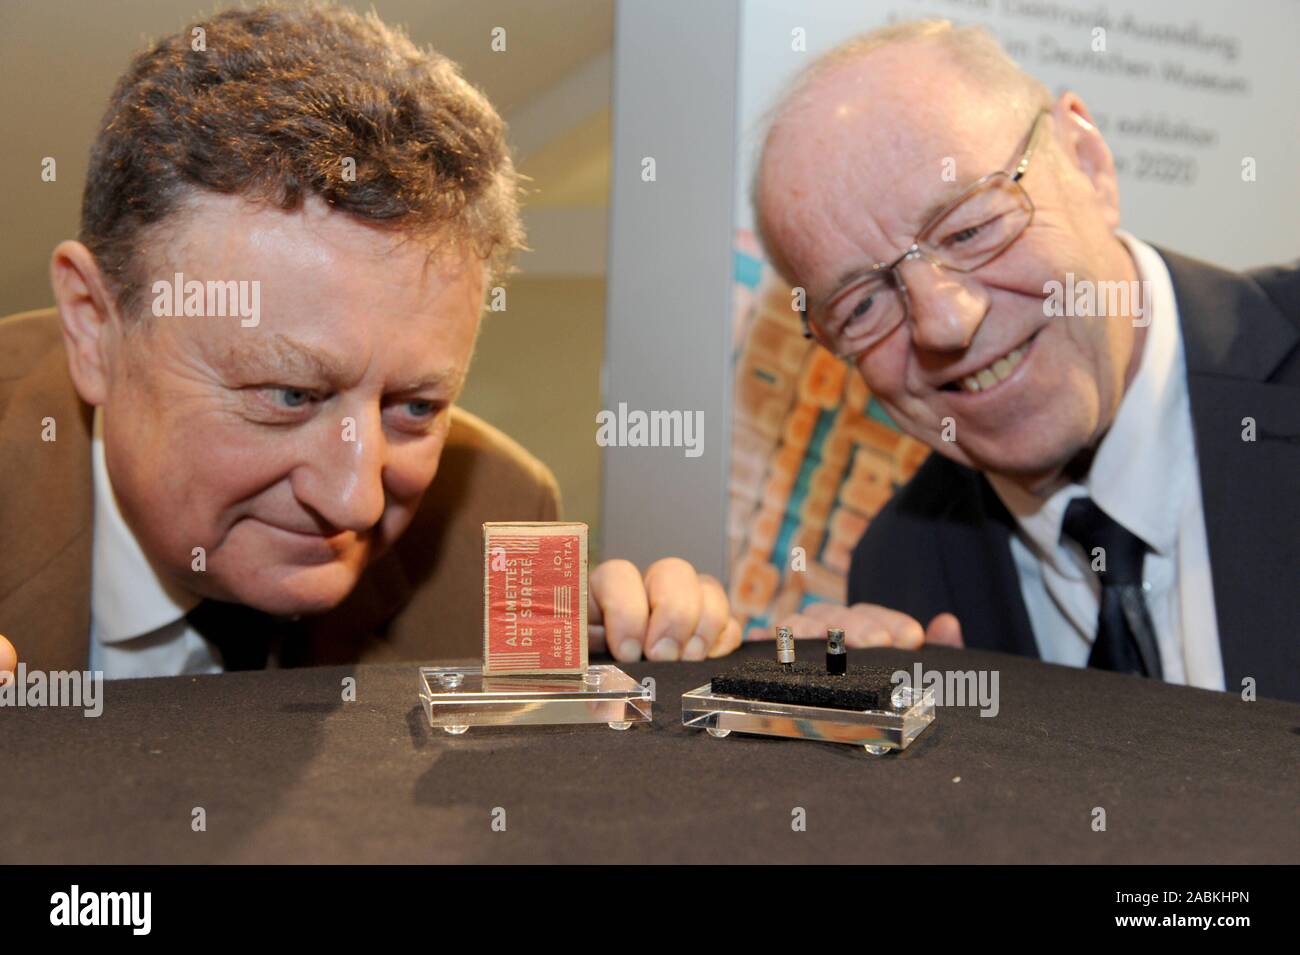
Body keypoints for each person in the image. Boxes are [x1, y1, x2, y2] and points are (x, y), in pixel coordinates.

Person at [0, 1, 741, 681]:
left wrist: (638, 655)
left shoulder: (496, 517)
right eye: (290, 395)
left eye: (416, 407)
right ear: (95, 326)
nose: (355, 500)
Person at [753, 20, 1299, 701]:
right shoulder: (902, 571)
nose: (945, 322)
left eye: (970, 227)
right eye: (862, 306)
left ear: (1088, 163)